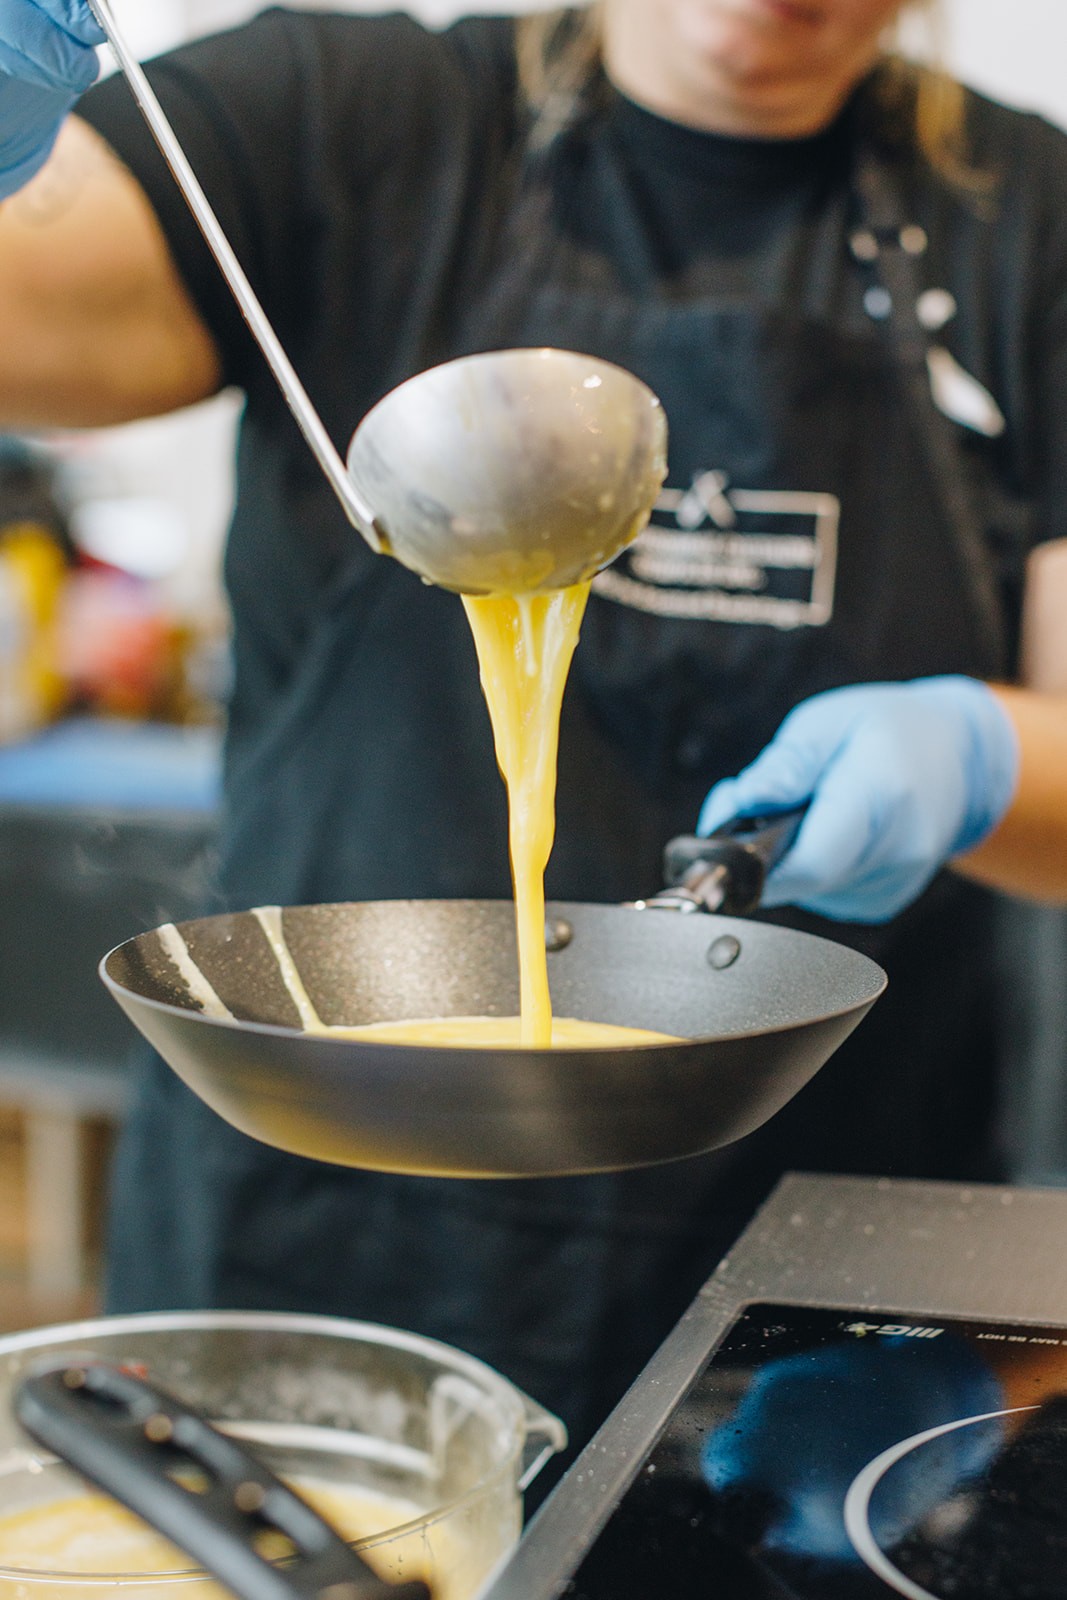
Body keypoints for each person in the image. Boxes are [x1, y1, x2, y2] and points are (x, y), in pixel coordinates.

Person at [2, 0, 1067, 1484]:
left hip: (821, 1289)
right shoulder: (349, 120)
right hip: (316, 1238)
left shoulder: (1032, 219)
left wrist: (984, 753)